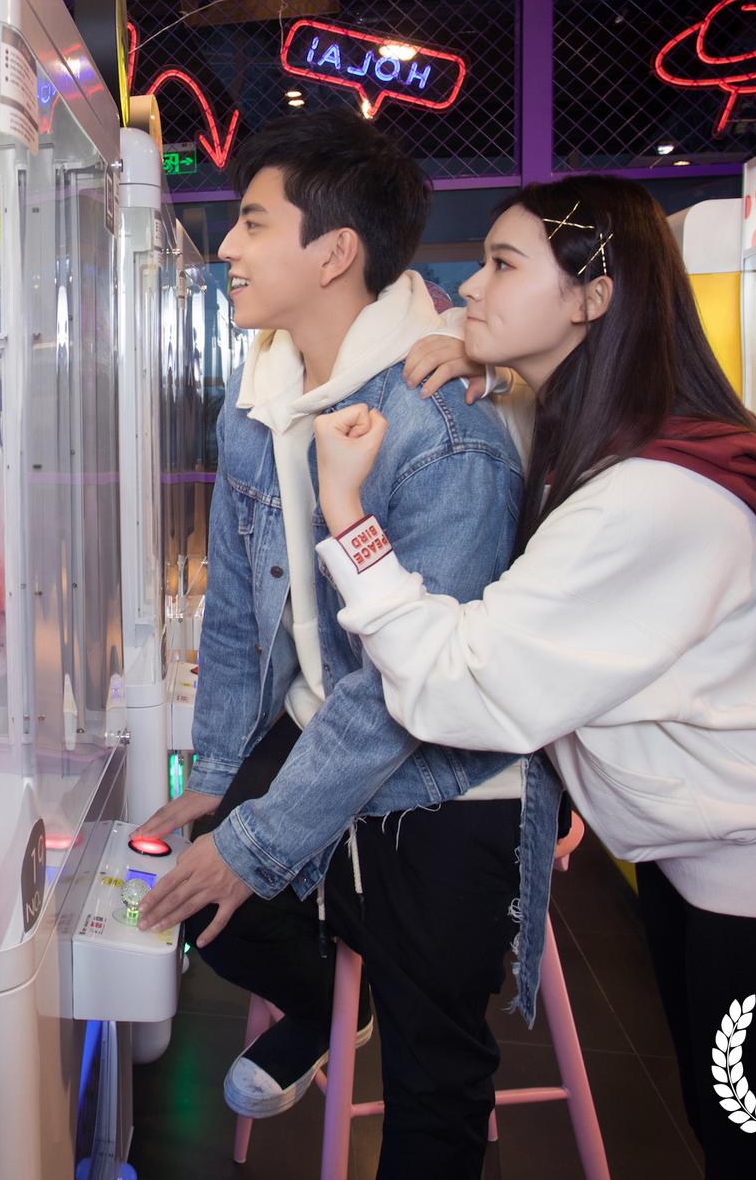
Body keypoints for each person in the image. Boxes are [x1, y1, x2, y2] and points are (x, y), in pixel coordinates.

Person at [310, 174, 756, 1180]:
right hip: (716, 863)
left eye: (502, 265)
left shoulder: (650, 494)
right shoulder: (623, 443)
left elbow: (462, 685)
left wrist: (349, 517)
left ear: (593, 296)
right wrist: (492, 360)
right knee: (742, 1136)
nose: (468, 288)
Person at [132, 111, 565, 1180]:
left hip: (448, 769)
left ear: (332, 253)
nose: (225, 248)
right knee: (199, 898)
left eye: (251, 223)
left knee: (433, 1071)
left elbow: (407, 684)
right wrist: (219, 775)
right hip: (326, 720)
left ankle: (360, 991)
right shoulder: (257, 399)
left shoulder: (442, 426)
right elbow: (239, 613)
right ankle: (334, 997)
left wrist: (256, 838)